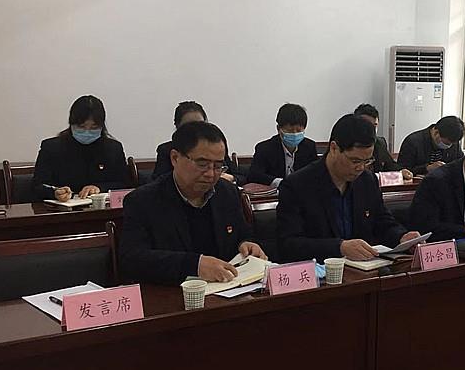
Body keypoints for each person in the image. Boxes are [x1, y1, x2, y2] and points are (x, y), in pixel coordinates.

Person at [119, 121, 266, 285]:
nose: (211, 174)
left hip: (226, 289)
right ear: (175, 158)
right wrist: (194, 265)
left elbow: (243, 234)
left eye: (218, 166)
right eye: (202, 164)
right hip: (173, 293)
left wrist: (247, 244)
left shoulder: (227, 193)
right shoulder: (143, 201)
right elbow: (132, 259)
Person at [276, 114, 420, 263]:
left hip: (365, 269)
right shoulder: (297, 185)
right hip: (321, 271)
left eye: (367, 161)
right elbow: (289, 244)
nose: (361, 168)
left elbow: (382, 222)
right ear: (334, 148)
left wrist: (401, 237)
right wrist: (339, 247)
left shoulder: (367, 180)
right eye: (355, 161)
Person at [33, 95, 129, 201]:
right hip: (62, 208)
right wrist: (55, 192)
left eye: (94, 128)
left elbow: (124, 184)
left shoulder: (113, 148)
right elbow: (38, 186)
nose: (87, 132)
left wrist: (99, 188)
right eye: (81, 127)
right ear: (71, 124)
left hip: (100, 207)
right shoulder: (51, 148)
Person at [152, 101, 243, 184]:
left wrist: (231, 178)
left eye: (201, 125)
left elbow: (240, 177)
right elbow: (158, 182)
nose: (196, 130)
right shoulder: (166, 150)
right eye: (202, 164)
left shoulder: (217, 148)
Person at [247, 103, 318, 187]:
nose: (294, 134)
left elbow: (315, 174)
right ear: (278, 129)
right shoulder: (264, 149)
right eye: (290, 131)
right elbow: (254, 176)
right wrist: (280, 183)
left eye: (299, 131)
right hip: (276, 192)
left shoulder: (309, 147)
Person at [353, 103, 412, 180]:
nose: (372, 130)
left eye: (375, 125)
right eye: (368, 125)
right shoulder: (348, 144)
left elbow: (390, 166)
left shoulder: (379, 143)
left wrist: (401, 171)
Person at [397, 115, 465, 176]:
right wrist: (427, 168)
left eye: (452, 144)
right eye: (447, 143)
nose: (449, 146)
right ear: (436, 133)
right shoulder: (413, 142)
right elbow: (402, 171)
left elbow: (461, 164)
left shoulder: (454, 142)